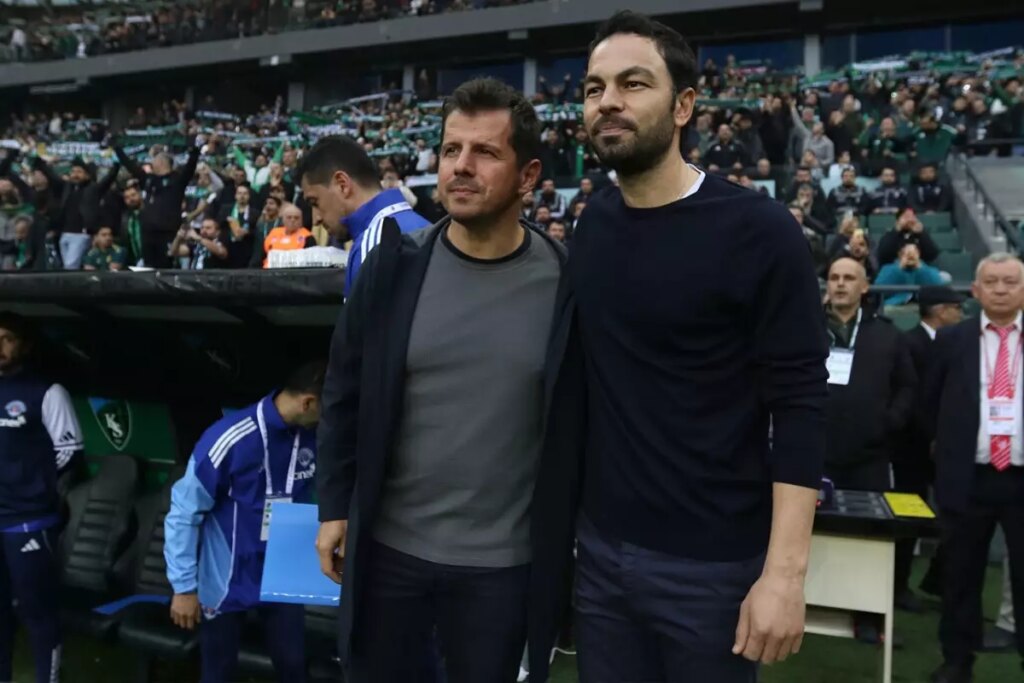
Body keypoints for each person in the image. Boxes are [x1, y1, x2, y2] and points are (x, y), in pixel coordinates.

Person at [573, 12, 827, 681]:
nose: (608, 102)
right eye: (595, 88)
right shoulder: (592, 225)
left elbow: (800, 405)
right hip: (600, 557)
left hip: (713, 568)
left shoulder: (760, 232)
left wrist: (785, 574)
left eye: (633, 84)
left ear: (684, 105)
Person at [314, 77, 580, 683]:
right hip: (390, 556)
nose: (461, 166)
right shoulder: (395, 267)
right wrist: (333, 506)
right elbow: (344, 392)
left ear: (529, 175)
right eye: (451, 149)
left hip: (502, 571)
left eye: (485, 152)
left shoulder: (567, 284)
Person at [164, 360, 326, 683]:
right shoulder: (230, 437)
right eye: (329, 408)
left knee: (294, 666)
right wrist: (183, 587)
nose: (332, 417)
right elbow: (183, 514)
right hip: (228, 575)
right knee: (219, 672)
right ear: (307, 402)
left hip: (284, 571)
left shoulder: (317, 436)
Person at [925, 253, 1024, 683]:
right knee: (961, 575)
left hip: (1021, 478)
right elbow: (929, 403)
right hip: (967, 477)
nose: (1001, 289)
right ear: (975, 290)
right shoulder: (951, 340)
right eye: (992, 282)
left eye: (1010, 282)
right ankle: (957, 661)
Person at [0, 312, 84, 683]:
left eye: (7, 338)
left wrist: (31, 484)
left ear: (25, 345)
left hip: (29, 520)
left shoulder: (47, 391)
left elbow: (70, 450)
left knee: (37, 612)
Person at [894, 285, 965, 612]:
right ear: (940, 310)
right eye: (956, 307)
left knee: (958, 516)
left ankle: (940, 582)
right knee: (908, 519)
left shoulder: (954, 343)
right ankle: (899, 586)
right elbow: (913, 397)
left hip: (944, 448)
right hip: (911, 449)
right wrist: (931, 435)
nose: (960, 314)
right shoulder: (909, 343)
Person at [296, 135, 432, 297]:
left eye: (314, 202)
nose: (316, 219)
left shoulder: (375, 245)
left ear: (342, 185)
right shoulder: (426, 228)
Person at [823, 257, 916, 489]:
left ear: (864, 286)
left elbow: (907, 385)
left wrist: (890, 420)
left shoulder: (888, 334)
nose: (840, 284)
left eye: (849, 278)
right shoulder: (807, 330)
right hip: (814, 451)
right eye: (834, 278)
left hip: (870, 456)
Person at [114, 139, 201, 268]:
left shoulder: (177, 180)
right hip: (148, 232)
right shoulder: (149, 180)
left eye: (154, 160)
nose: (151, 163)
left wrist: (195, 150)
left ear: (161, 162)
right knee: (148, 266)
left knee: (166, 265)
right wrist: (118, 150)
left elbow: (190, 167)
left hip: (167, 232)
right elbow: (132, 167)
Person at [875, 243, 946, 306]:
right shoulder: (889, 269)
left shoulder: (927, 270)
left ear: (919, 254)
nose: (911, 256)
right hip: (895, 304)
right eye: (906, 253)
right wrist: (899, 269)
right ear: (900, 254)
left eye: (914, 253)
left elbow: (937, 287)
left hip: (923, 304)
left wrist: (919, 269)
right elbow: (879, 291)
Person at [254, 203, 316, 268]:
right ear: (283, 220)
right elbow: (260, 256)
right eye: (289, 217)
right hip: (269, 271)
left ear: (301, 221)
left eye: (296, 218)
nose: (292, 220)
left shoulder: (307, 236)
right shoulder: (274, 233)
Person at [218, 184, 256, 269]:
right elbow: (218, 223)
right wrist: (227, 220)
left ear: (249, 196)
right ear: (235, 195)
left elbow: (256, 230)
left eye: (245, 193)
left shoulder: (255, 213)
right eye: (239, 193)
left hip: (245, 248)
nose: (242, 196)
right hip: (228, 247)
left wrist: (247, 232)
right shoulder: (226, 209)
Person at [790, 103, 835, 168]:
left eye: (817, 124)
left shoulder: (828, 143)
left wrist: (818, 162)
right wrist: (793, 108)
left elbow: (830, 160)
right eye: (815, 124)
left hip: (818, 168)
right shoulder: (807, 135)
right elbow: (798, 123)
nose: (814, 125)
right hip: (803, 167)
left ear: (822, 130)